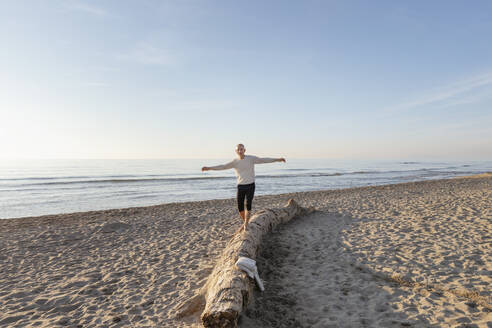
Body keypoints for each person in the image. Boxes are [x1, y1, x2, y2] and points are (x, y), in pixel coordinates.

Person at [202, 144, 286, 231]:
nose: (240, 151)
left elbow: (263, 160)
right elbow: (223, 166)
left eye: (241, 149)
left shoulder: (250, 159)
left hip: (250, 185)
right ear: (236, 151)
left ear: (244, 150)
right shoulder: (235, 162)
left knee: (248, 204)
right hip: (240, 186)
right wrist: (209, 168)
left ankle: (246, 224)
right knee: (240, 207)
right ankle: (245, 221)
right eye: (238, 149)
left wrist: (277, 159)